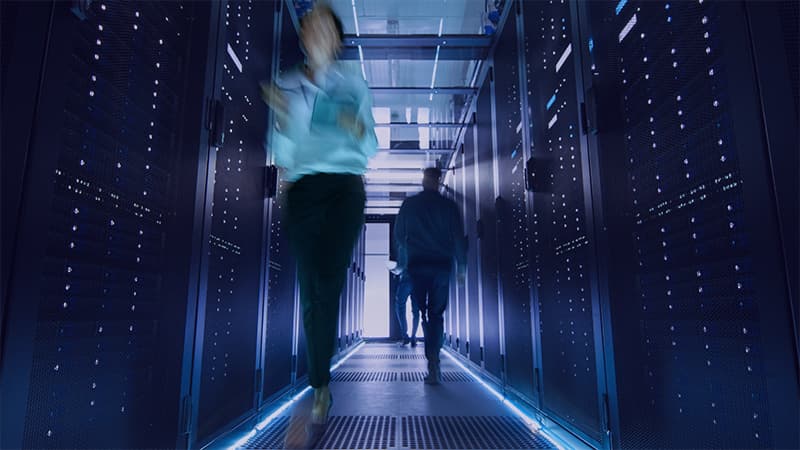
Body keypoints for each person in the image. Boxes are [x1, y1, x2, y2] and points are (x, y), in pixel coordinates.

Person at [261, 2, 377, 438]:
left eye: (324, 26)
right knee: (313, 288)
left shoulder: (353, 83)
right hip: (305, 190)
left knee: (326, 281)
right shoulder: (287, 84)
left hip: (345, 188)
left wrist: (356, 127)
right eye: (309, 25)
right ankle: (321, 383)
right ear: (304, 36)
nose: (314, 31)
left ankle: (320, 386)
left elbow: (371, 147)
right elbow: (284, 152)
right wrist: (284, 118)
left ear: (338, 40)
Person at [394, 167, 466, 384]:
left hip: (418, 266)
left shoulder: (410, 205)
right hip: (442, 266)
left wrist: (402, 263)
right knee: (437, 313)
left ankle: (431, 357)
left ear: (423, 180)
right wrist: (461, 266)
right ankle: (434, 357)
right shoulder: (449, 206)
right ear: (439, 181)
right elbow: (458, 238)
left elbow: (399, 235)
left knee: (423, 312)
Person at [394, 271, 421, 347]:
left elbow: (399, 267)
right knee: (416, 311)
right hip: (418, 281)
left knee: (400, 307)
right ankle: (413, 337)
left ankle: (405, 337)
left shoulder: (404, 258)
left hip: (406, 279)